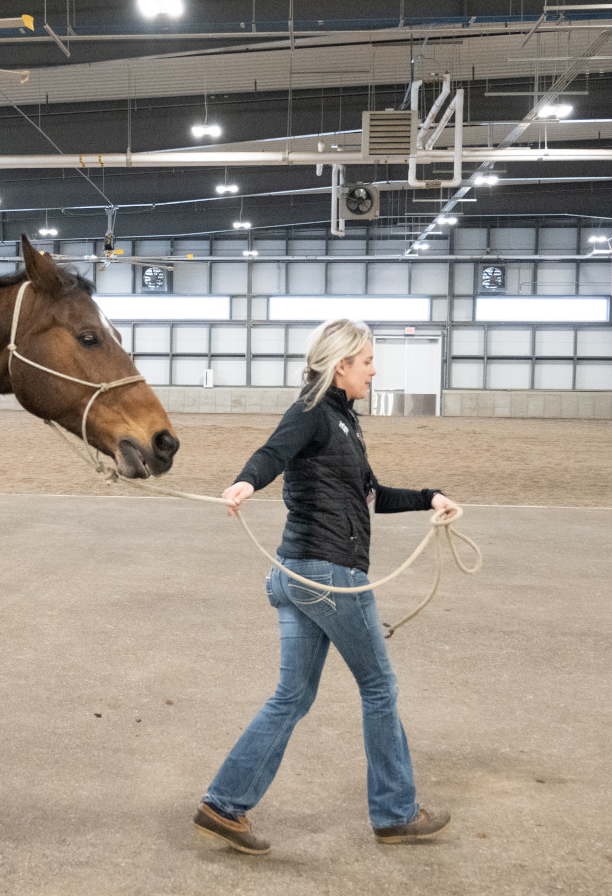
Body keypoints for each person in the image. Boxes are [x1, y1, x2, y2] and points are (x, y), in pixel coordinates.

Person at [193, 318, 459, 855]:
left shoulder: (343, 423)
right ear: (341, 366)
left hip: (298, 577)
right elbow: (273, 452)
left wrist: (430, 496)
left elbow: (371, 496)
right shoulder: (312, 414)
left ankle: (223, 805)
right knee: (379, 688)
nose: (373, 369)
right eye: (366, 362)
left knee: (292, 695)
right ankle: (395, 813)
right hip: (328, 577)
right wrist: (245, 481)